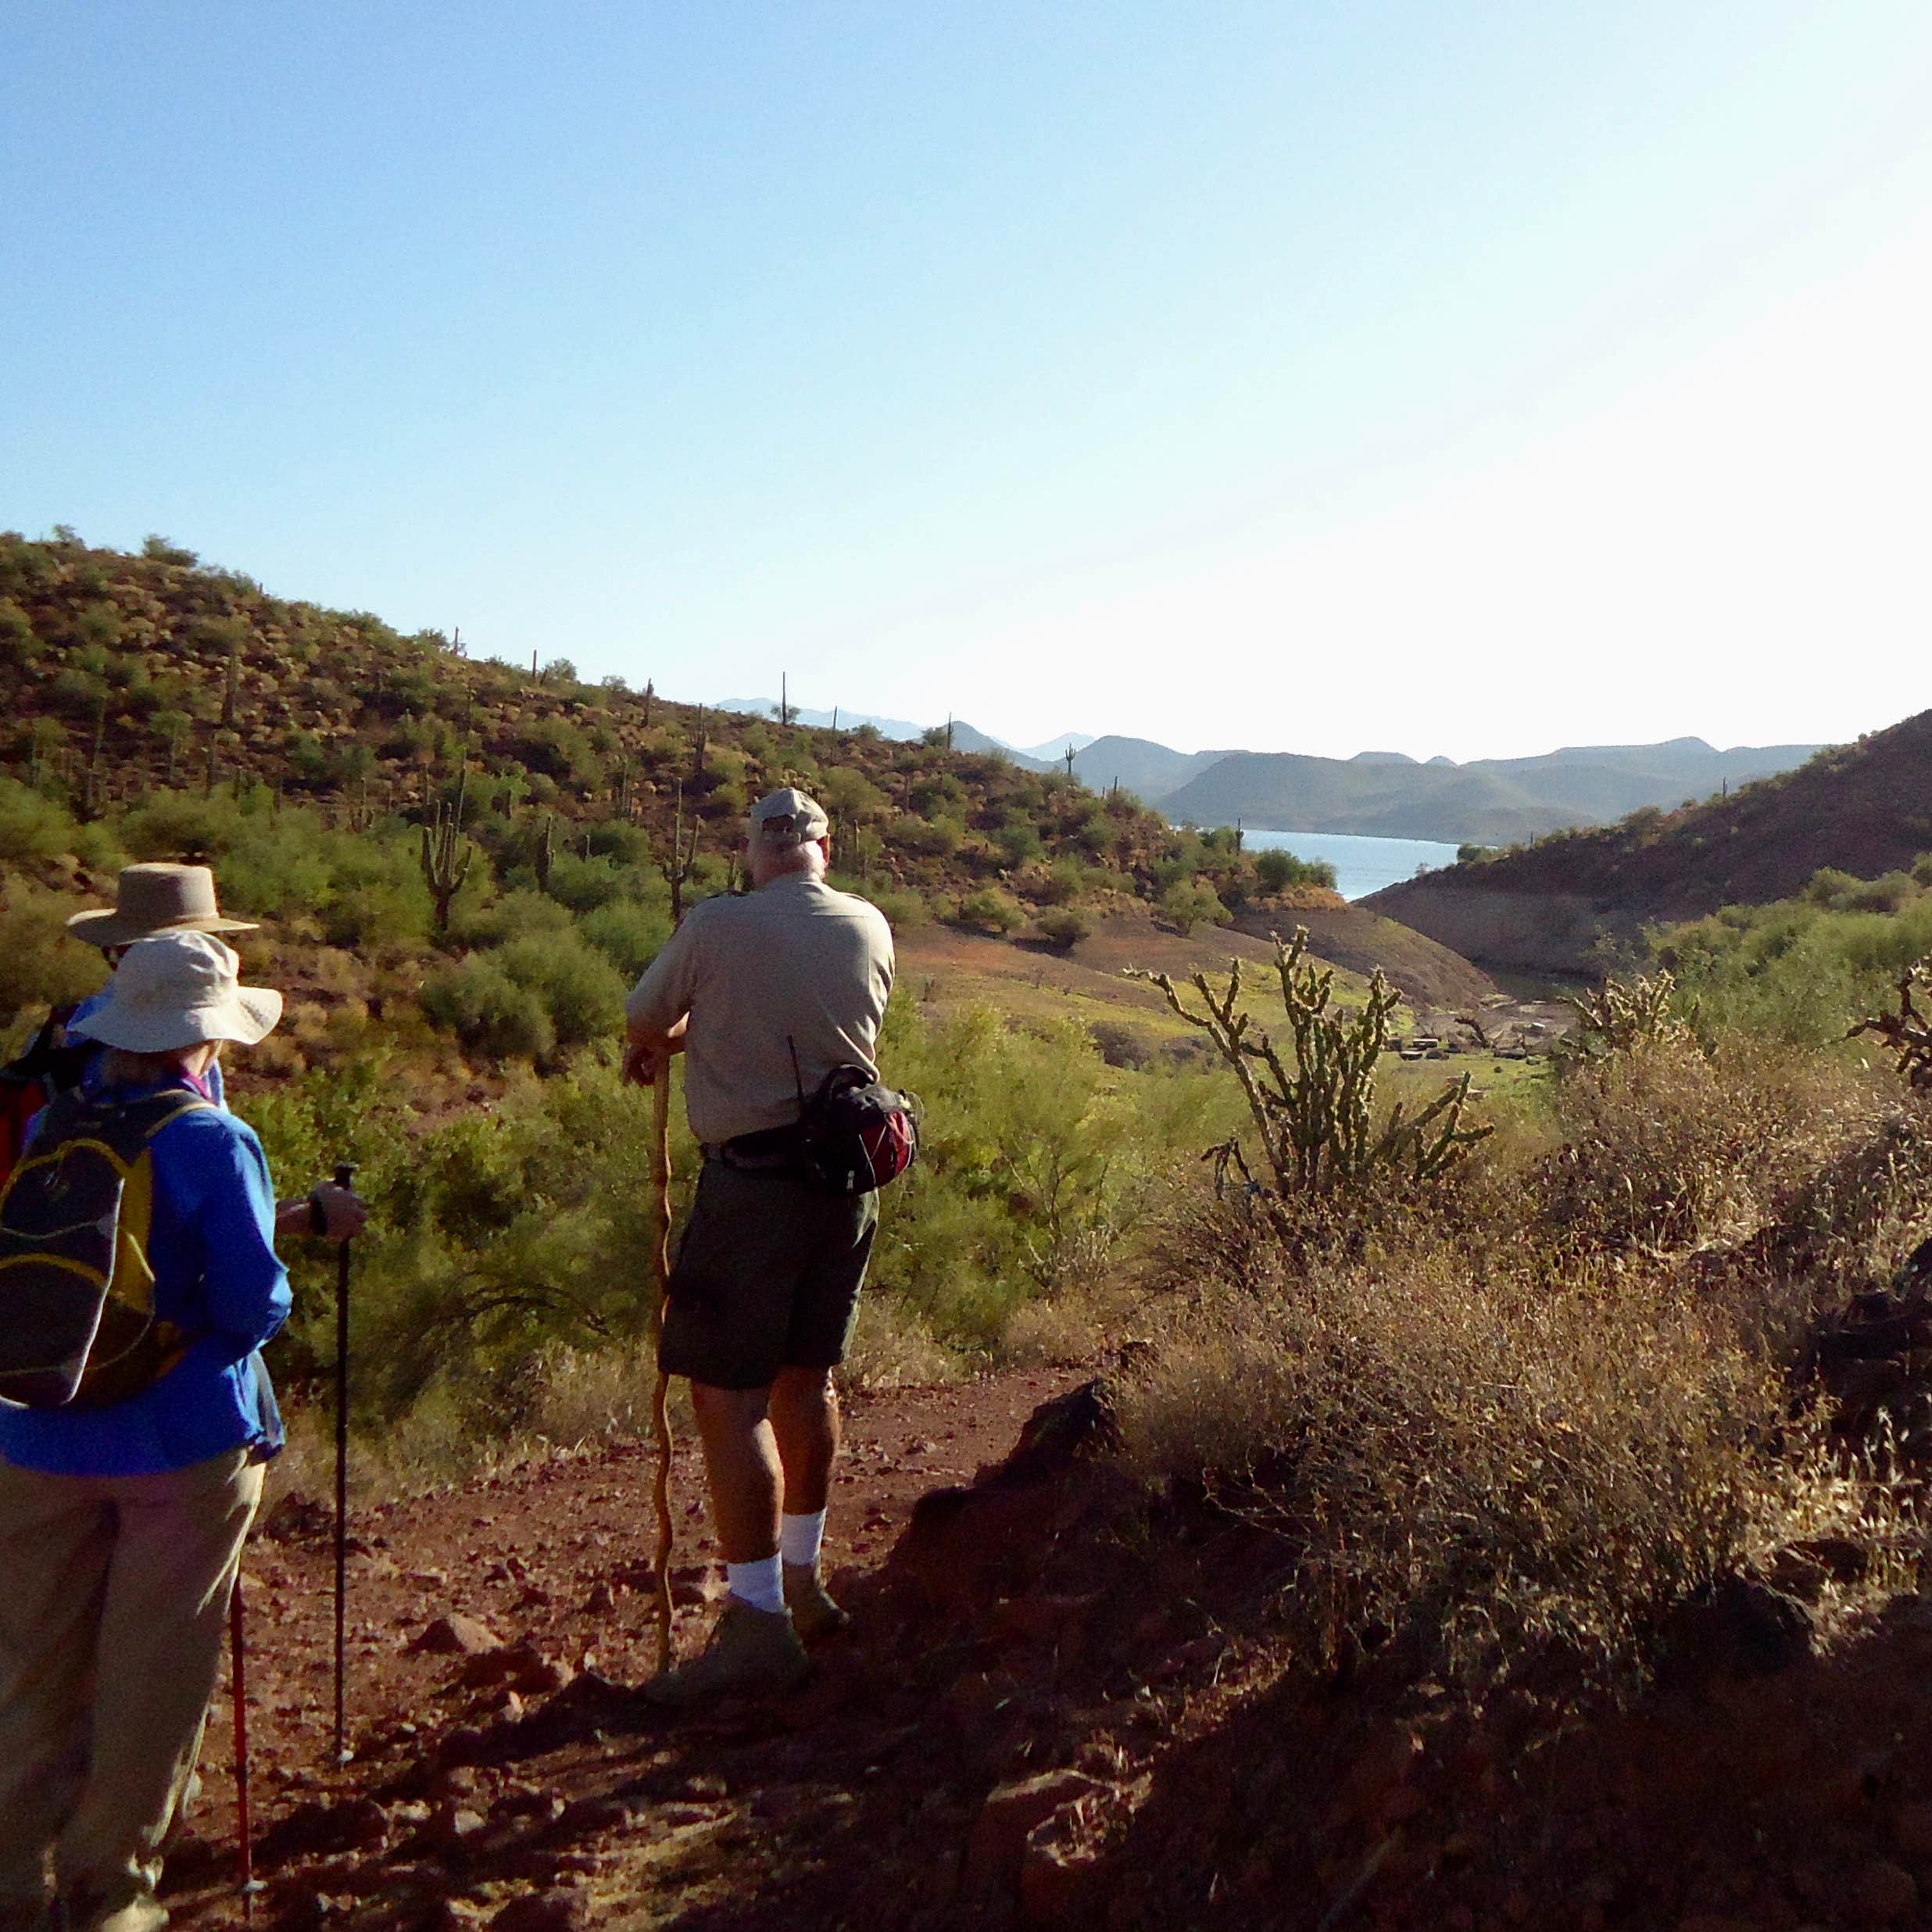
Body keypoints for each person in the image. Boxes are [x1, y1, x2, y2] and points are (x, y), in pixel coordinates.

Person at [0, 932, 292, 1932]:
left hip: (38, 1434)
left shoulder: (53, 1124)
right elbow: (253, 1303)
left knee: (30, 1665)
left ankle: (10, 1879)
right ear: (204, 1039)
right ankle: (108, 1893)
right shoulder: (214, 1138)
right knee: (151, 1677)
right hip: (180, 1441)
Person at [624, 787, 895, 1708]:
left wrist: (673, 1039)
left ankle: (756, 1625)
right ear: (826, 847)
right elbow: (809, 1019)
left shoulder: (716, 924)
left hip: (753, 1189)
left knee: (728, 1398)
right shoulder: (868, 924)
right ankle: (803, 1583)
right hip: (847, 1181)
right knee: (806, 1381)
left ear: (753, 853)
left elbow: (642, 1016)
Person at [59, 864, 363, 1243]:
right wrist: (308, 1216)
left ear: (116, 949)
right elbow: (196, 1217)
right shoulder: (186, 1056)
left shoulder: (65, 1033)